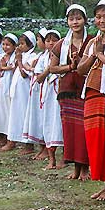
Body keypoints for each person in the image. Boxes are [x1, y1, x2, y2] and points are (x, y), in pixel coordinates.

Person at [78, 0, 105, 200]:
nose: (102, 21)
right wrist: (94, 55)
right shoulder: (93, 42)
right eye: (99, 17)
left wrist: (100, 54)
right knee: (95, 138)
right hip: (93, 90)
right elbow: (80, 69)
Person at [50, 4, 90, 179]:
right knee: (70, 130)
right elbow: (52, 68)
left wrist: (81, 64)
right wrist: (70, 66)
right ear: (67, 21)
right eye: (72, 19)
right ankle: (75, 168)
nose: (75, 22)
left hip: (85, 89)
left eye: (78, 18)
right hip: (67, 91)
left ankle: (85, 168)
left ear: (85, 20)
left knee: (83, 129)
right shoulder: (61, 45)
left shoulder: (92, 41)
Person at [4, 31, 39, 152]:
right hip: (18, 91)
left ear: (31, 45)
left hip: (25, 92)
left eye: (23, 44)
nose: (20, 46)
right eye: (19, 44)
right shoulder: (23, 55)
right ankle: (13, 139)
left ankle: (28, 144)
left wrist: (19, 60)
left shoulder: (32, 56)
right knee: (16, 115)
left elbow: (25, 74)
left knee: (24, 115)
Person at [39, 30, 64, 169]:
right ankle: (51, 158)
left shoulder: (63, 54)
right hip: (48, 94)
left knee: (60, 124)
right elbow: (39, 78)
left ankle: (65, 157)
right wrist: (50, 69)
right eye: (48, 40)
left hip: (59, 94)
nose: (51, 43)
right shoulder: (43, 58)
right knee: (48, 123)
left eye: (54, 40)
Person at [23, 28, 49, 157]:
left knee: (43, 117)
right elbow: (29, 66)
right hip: (36, 89)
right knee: (37, 117)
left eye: (39, 39)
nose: (38, 42)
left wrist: (32, 68)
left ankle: (45, 146)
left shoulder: (48, 56)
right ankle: (41, 146)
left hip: (44, 88)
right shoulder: (40, 56)